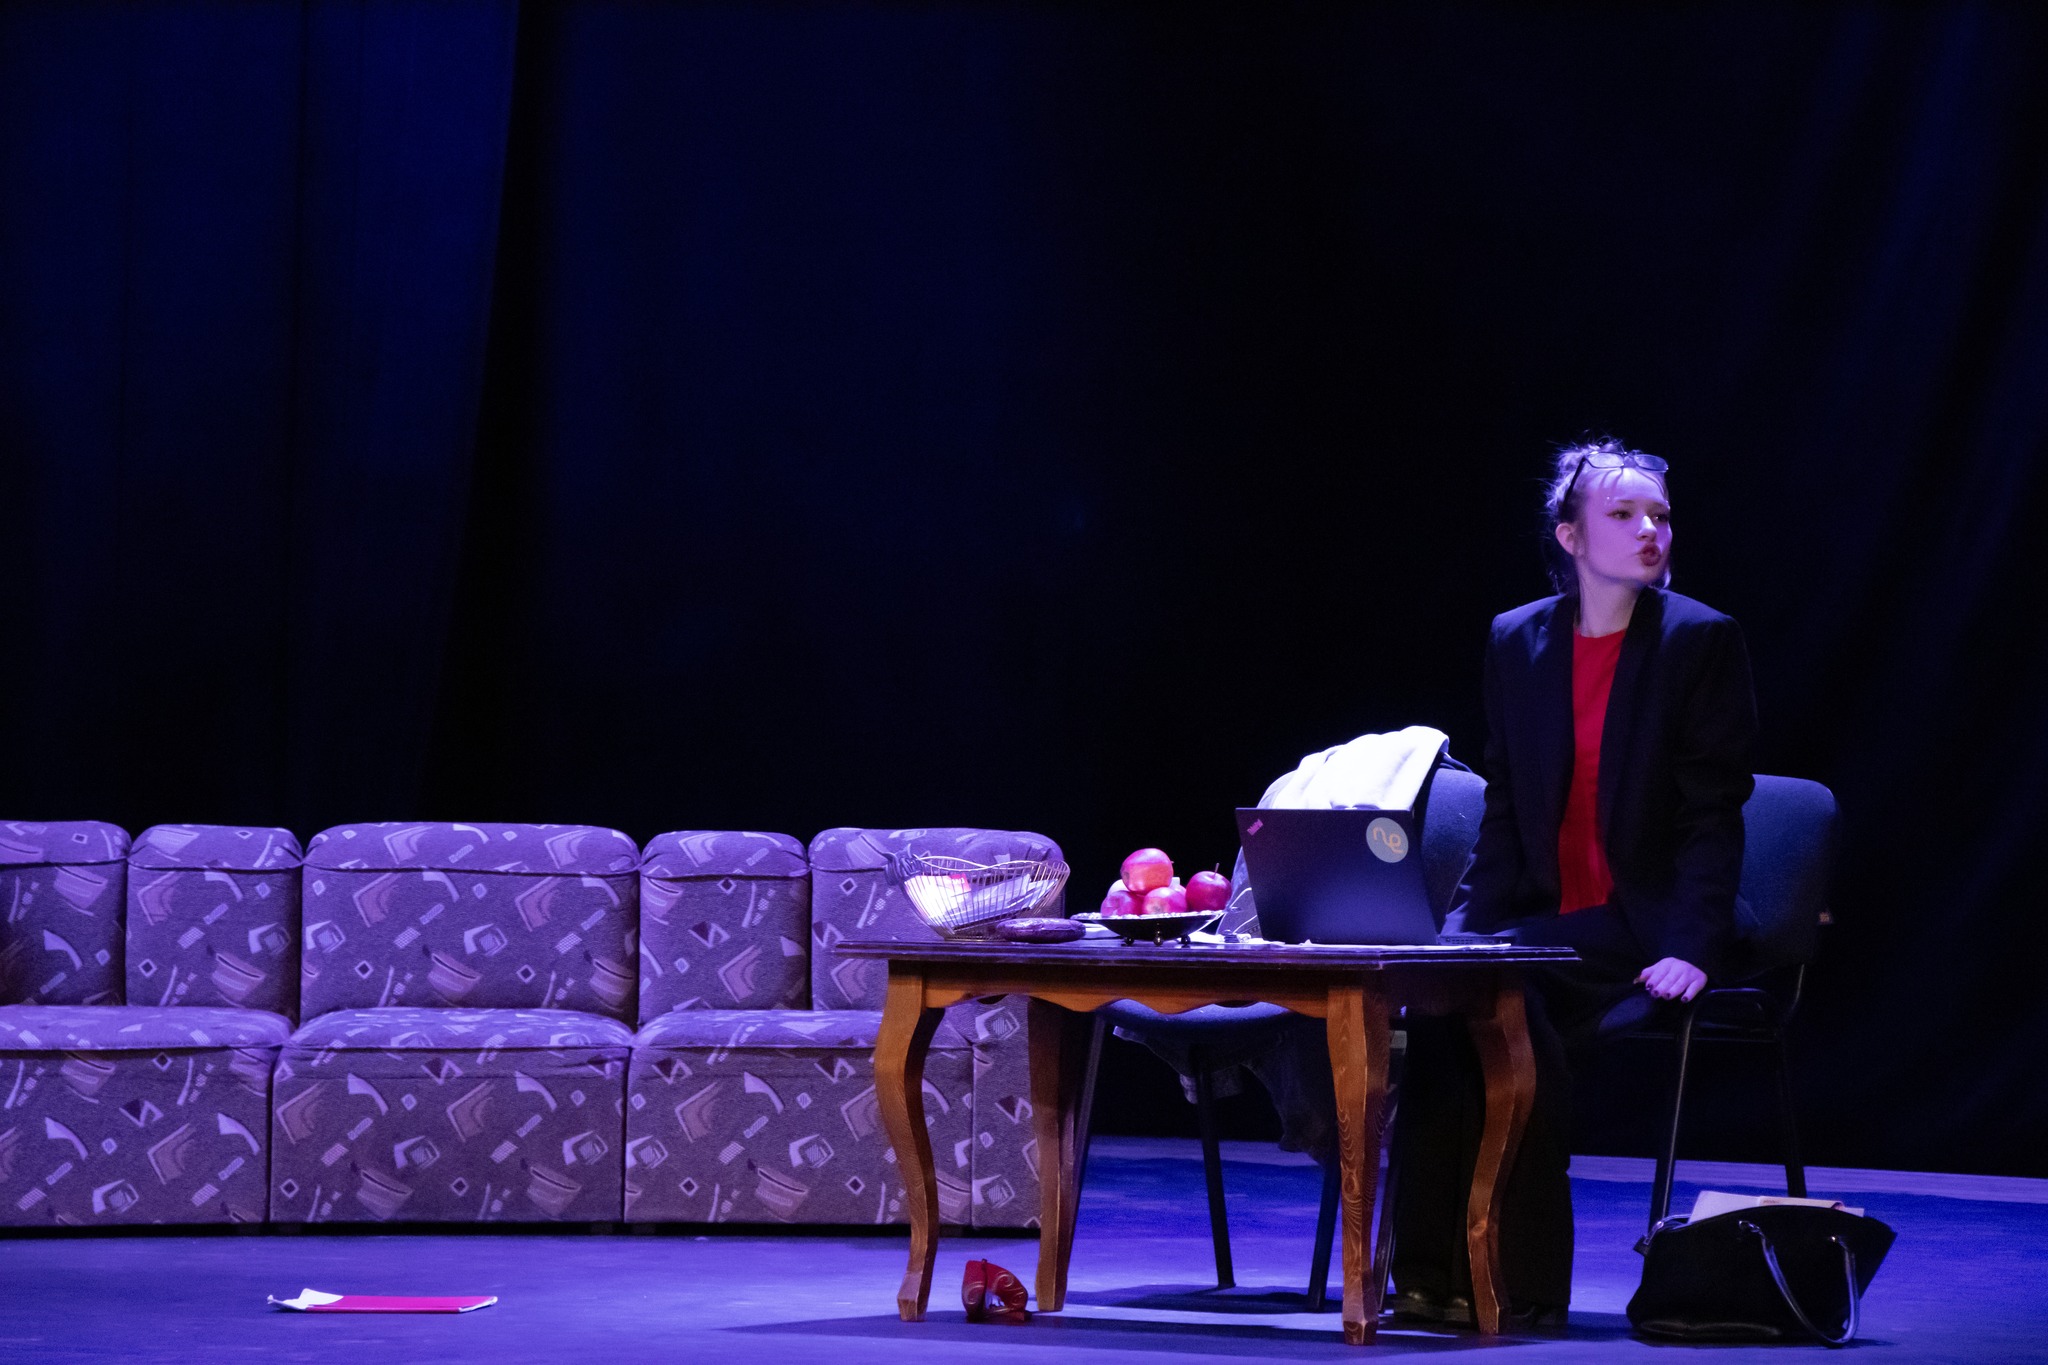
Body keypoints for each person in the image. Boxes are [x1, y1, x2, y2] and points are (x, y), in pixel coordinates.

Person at [1388, 438, 1758, 1327]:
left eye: (1660, 514)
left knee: (1512, 1003)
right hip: (1541, 918)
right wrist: (1457, 941)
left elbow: (1712, 816)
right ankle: (1429, 1277)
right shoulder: (1517, 640)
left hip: (1644, 922)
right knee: (1446, 1006)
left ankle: (1523, 1282)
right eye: (1623, 514)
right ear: (1571, 535)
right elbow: (1506, 810)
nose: (1649, 530)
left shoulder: (1698, 641)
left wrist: (1692, 947)